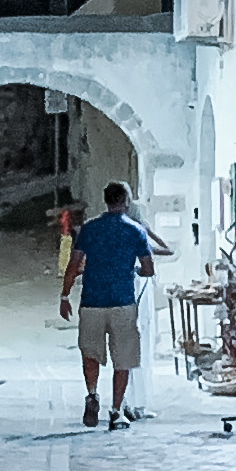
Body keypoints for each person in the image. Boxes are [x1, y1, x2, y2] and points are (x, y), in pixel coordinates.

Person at [59, 178, 163, 428]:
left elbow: (73, 264)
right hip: (123, 302)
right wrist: (134, 270)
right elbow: (148, 269)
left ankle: (92, 393)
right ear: (126, 201)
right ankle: (116, 411)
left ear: (105, 201)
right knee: (122, 359)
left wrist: (64, 296)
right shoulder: (135, 230)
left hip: (92, 301)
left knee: (90, 353)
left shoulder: (89, 229)